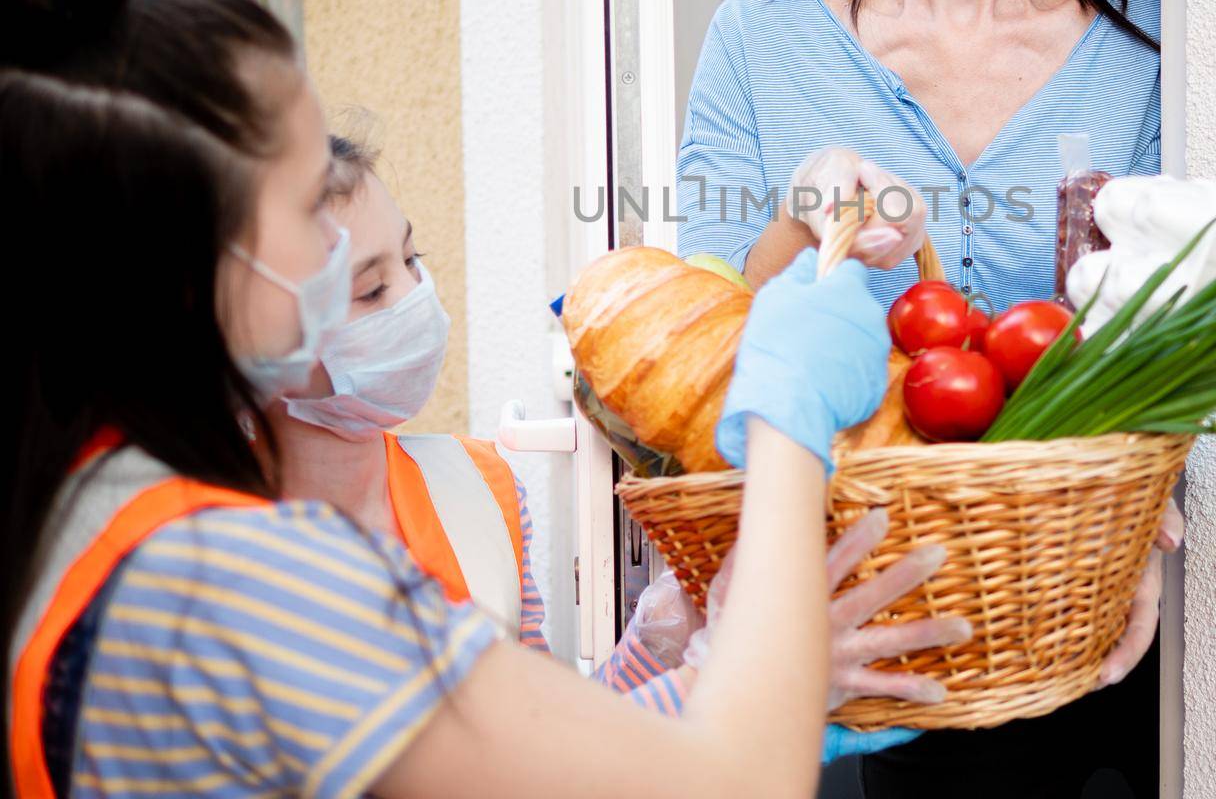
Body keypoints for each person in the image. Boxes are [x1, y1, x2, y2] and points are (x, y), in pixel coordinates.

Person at [0, 0, 926, 798]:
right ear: (184, 264)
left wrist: (722, 665)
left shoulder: (79, 505)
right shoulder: (231, 580)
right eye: (300, 202)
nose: (330, 243)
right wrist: (787, 424)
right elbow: (736, 782)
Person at [676, 0, 1180, 794]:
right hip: (846, 627)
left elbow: (1168, 334)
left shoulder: (1152, 46)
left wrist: (1152, 525)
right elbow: (691, 346)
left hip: (1076, 625)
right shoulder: (764, 36)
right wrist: (809, 222)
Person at [268, 127, 966, 733]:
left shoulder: (478, 486)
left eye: (414, 261)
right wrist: (726, 680)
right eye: (371, 290)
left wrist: (665, 642)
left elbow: (556, 732)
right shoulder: (227, 551)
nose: (416, 300)